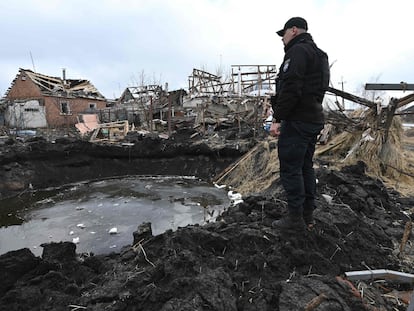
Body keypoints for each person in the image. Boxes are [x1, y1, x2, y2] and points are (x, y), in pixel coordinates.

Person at [270, 17, 329, 231]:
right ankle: (307, 217)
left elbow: (291, 88)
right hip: (312, 119)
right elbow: (319, 89)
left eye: (283, 34)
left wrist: (277, 118)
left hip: (297, 121)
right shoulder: (320, 55)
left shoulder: (297, 52)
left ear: (293, 30)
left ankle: (294, 220)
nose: (282, 39)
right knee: (305, 167)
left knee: (291, 169)